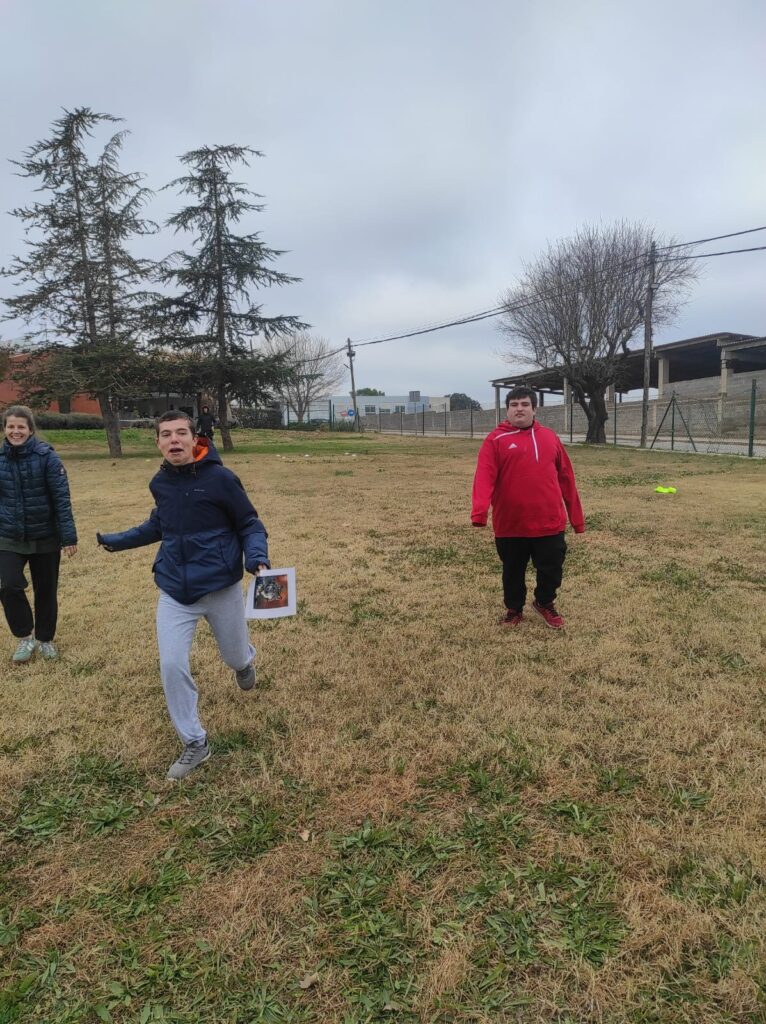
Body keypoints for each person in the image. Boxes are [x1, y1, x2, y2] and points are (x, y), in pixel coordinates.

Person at [97, 411, 269, 781]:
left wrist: (257, 558)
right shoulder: (160, 482)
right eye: (166, 434)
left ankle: (244, 663)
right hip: (175, 589)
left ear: (194, 439)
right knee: (172, 664)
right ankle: (195, 741)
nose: (173, 440)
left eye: (180, 433)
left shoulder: (221, 479)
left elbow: (249, 524)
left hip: (220, 586)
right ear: (158, 443)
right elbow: (159, 525)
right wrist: (116, 541)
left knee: (234, 655)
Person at [471, 386, 585, 629]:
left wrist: (577, 519)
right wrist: (479, 513)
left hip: (549, 520)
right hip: (511, 523)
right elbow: (484, 476)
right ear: (507, 410)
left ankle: (544, 602)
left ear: (534, 409)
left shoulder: (550, 437)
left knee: (552, 568)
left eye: (524, 404)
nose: (519, 409)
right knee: (512, 570)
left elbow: (566, 477)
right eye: (514, 405)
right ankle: (514, 609)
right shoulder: (495, 440)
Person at [0, 405, 78, 663]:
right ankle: (25, 637)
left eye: (21, 426)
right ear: (5, 429)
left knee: (46, 590)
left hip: (45, 535)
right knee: (8, 584)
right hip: (9, 536)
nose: (16, 431)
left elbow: (61, 499)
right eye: (11, 426)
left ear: (30, 429)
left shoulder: (47, 457)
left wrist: (68, 537)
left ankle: (45, 640)